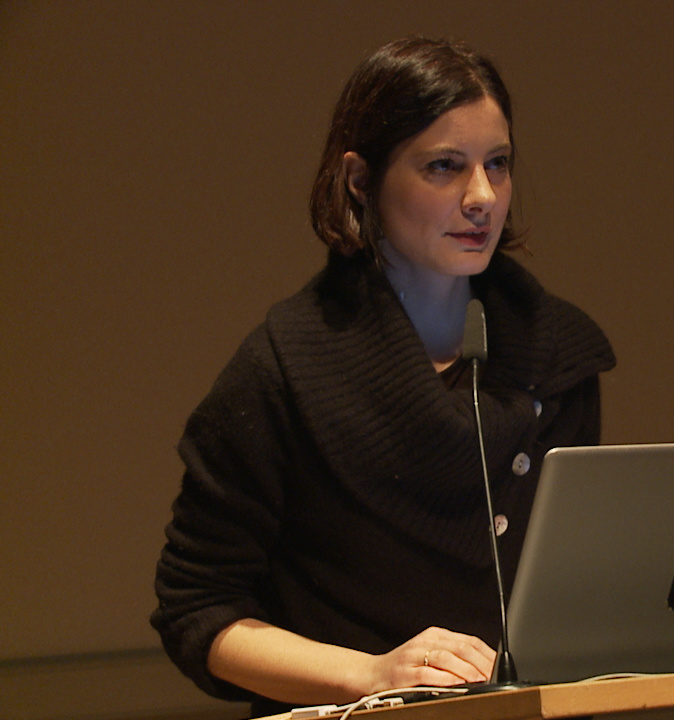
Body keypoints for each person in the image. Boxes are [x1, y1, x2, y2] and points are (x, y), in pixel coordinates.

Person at [151, 36, 615, 716]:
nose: (483, 196)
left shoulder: (557, 351)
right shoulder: (285, 365)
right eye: (445, 167)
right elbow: (198, 610)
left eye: (498, 164)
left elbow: (580, 591)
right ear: (360, 181)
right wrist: (371, 674)